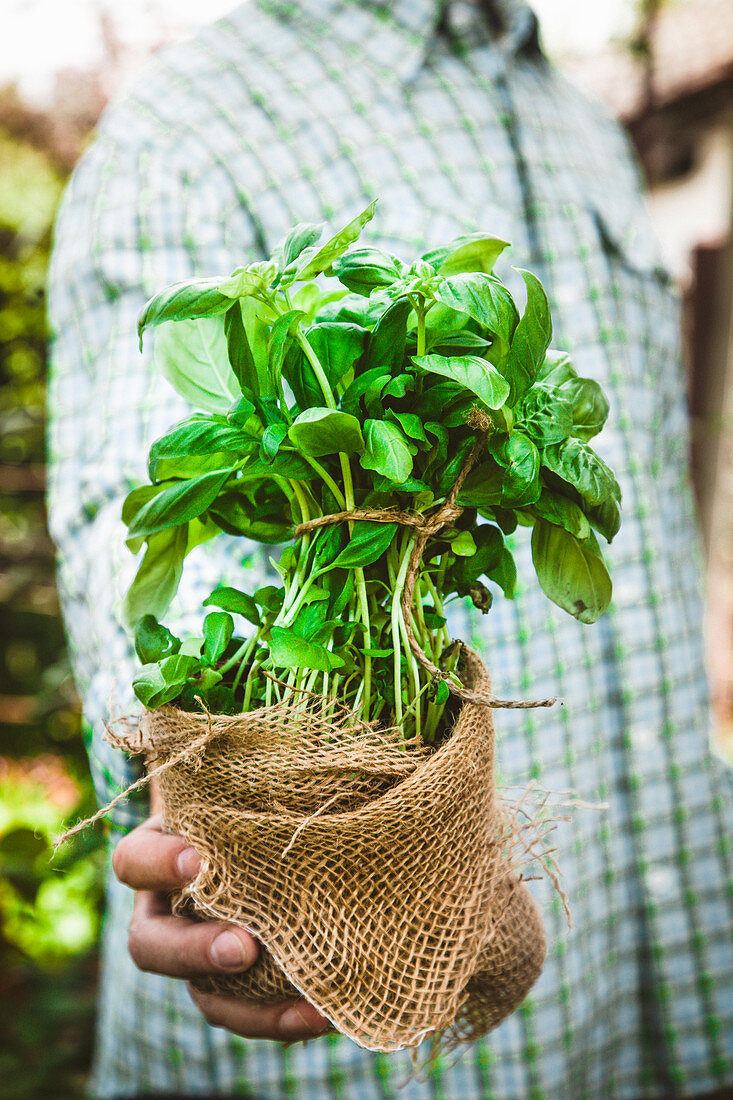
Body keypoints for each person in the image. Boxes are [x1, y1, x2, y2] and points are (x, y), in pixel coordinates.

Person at [47, 0, 733, 1096]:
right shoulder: (189, 126)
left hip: (646, 972)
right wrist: (182, 783)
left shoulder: (578, 121)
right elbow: (134, 523)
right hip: (343, 1011)